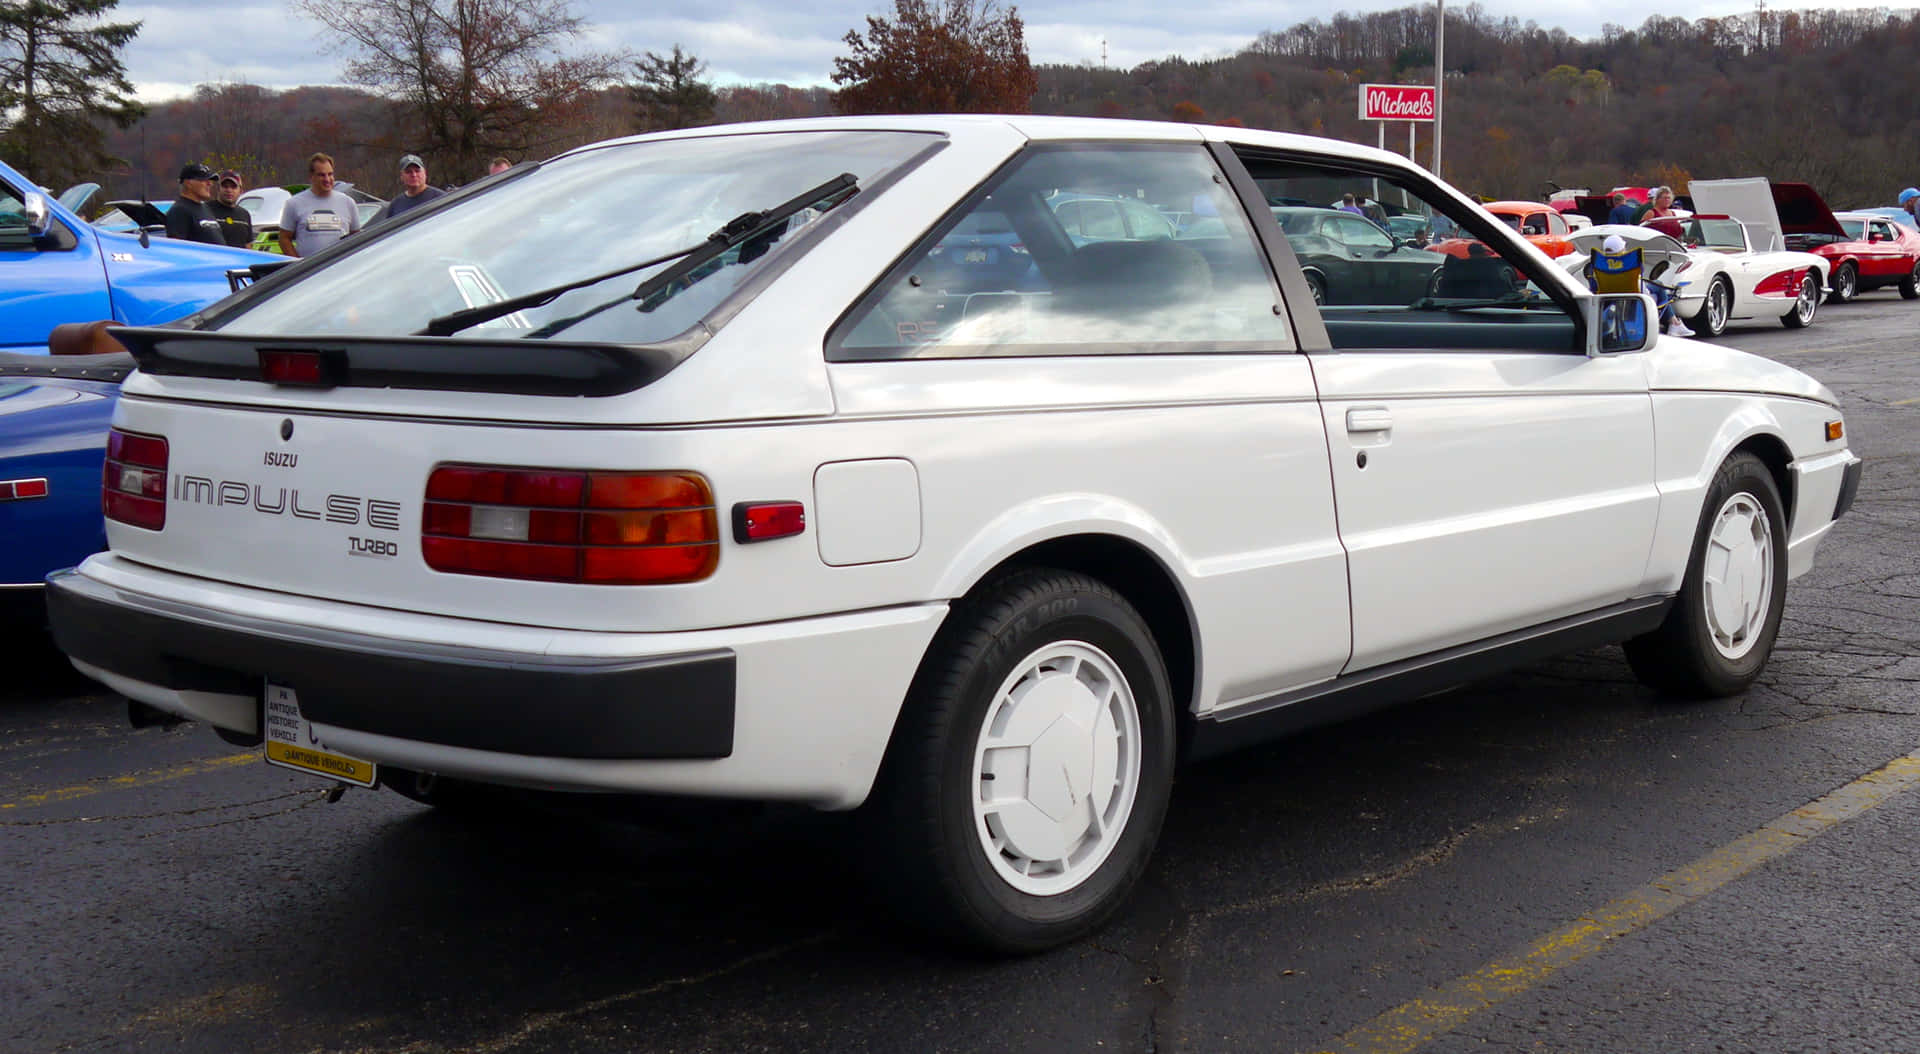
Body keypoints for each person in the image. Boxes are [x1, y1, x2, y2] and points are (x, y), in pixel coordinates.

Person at [278, 152, 362, 257]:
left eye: (330, 174)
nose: (327, 179)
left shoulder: (348, 203)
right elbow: (284, 239)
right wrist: (297, 264)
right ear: (311, 176)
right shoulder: (294, 203)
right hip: (309, 270)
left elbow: (357, 237)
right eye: (321, 175)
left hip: (341, 268)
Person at [164, 163, 224, 244]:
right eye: (204, 180)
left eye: (210, 180)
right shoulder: (179, 211)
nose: (210, 184)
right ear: (188, 183)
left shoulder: (205, 207)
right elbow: (177, 248)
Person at [378, 153, 446, 223]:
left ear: (425, 173)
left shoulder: (440, 198)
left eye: (417, 171)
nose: (414, 175)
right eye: (408, 172)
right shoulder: (395, 205)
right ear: (401, 176)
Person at [207, 170, 254, 248]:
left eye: (233, 187)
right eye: (225, 186)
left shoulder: (245, 214)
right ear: (218, 189)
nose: (229, 190)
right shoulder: (206, 210)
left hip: (239, 259)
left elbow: (248, 245)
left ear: (241, 191)